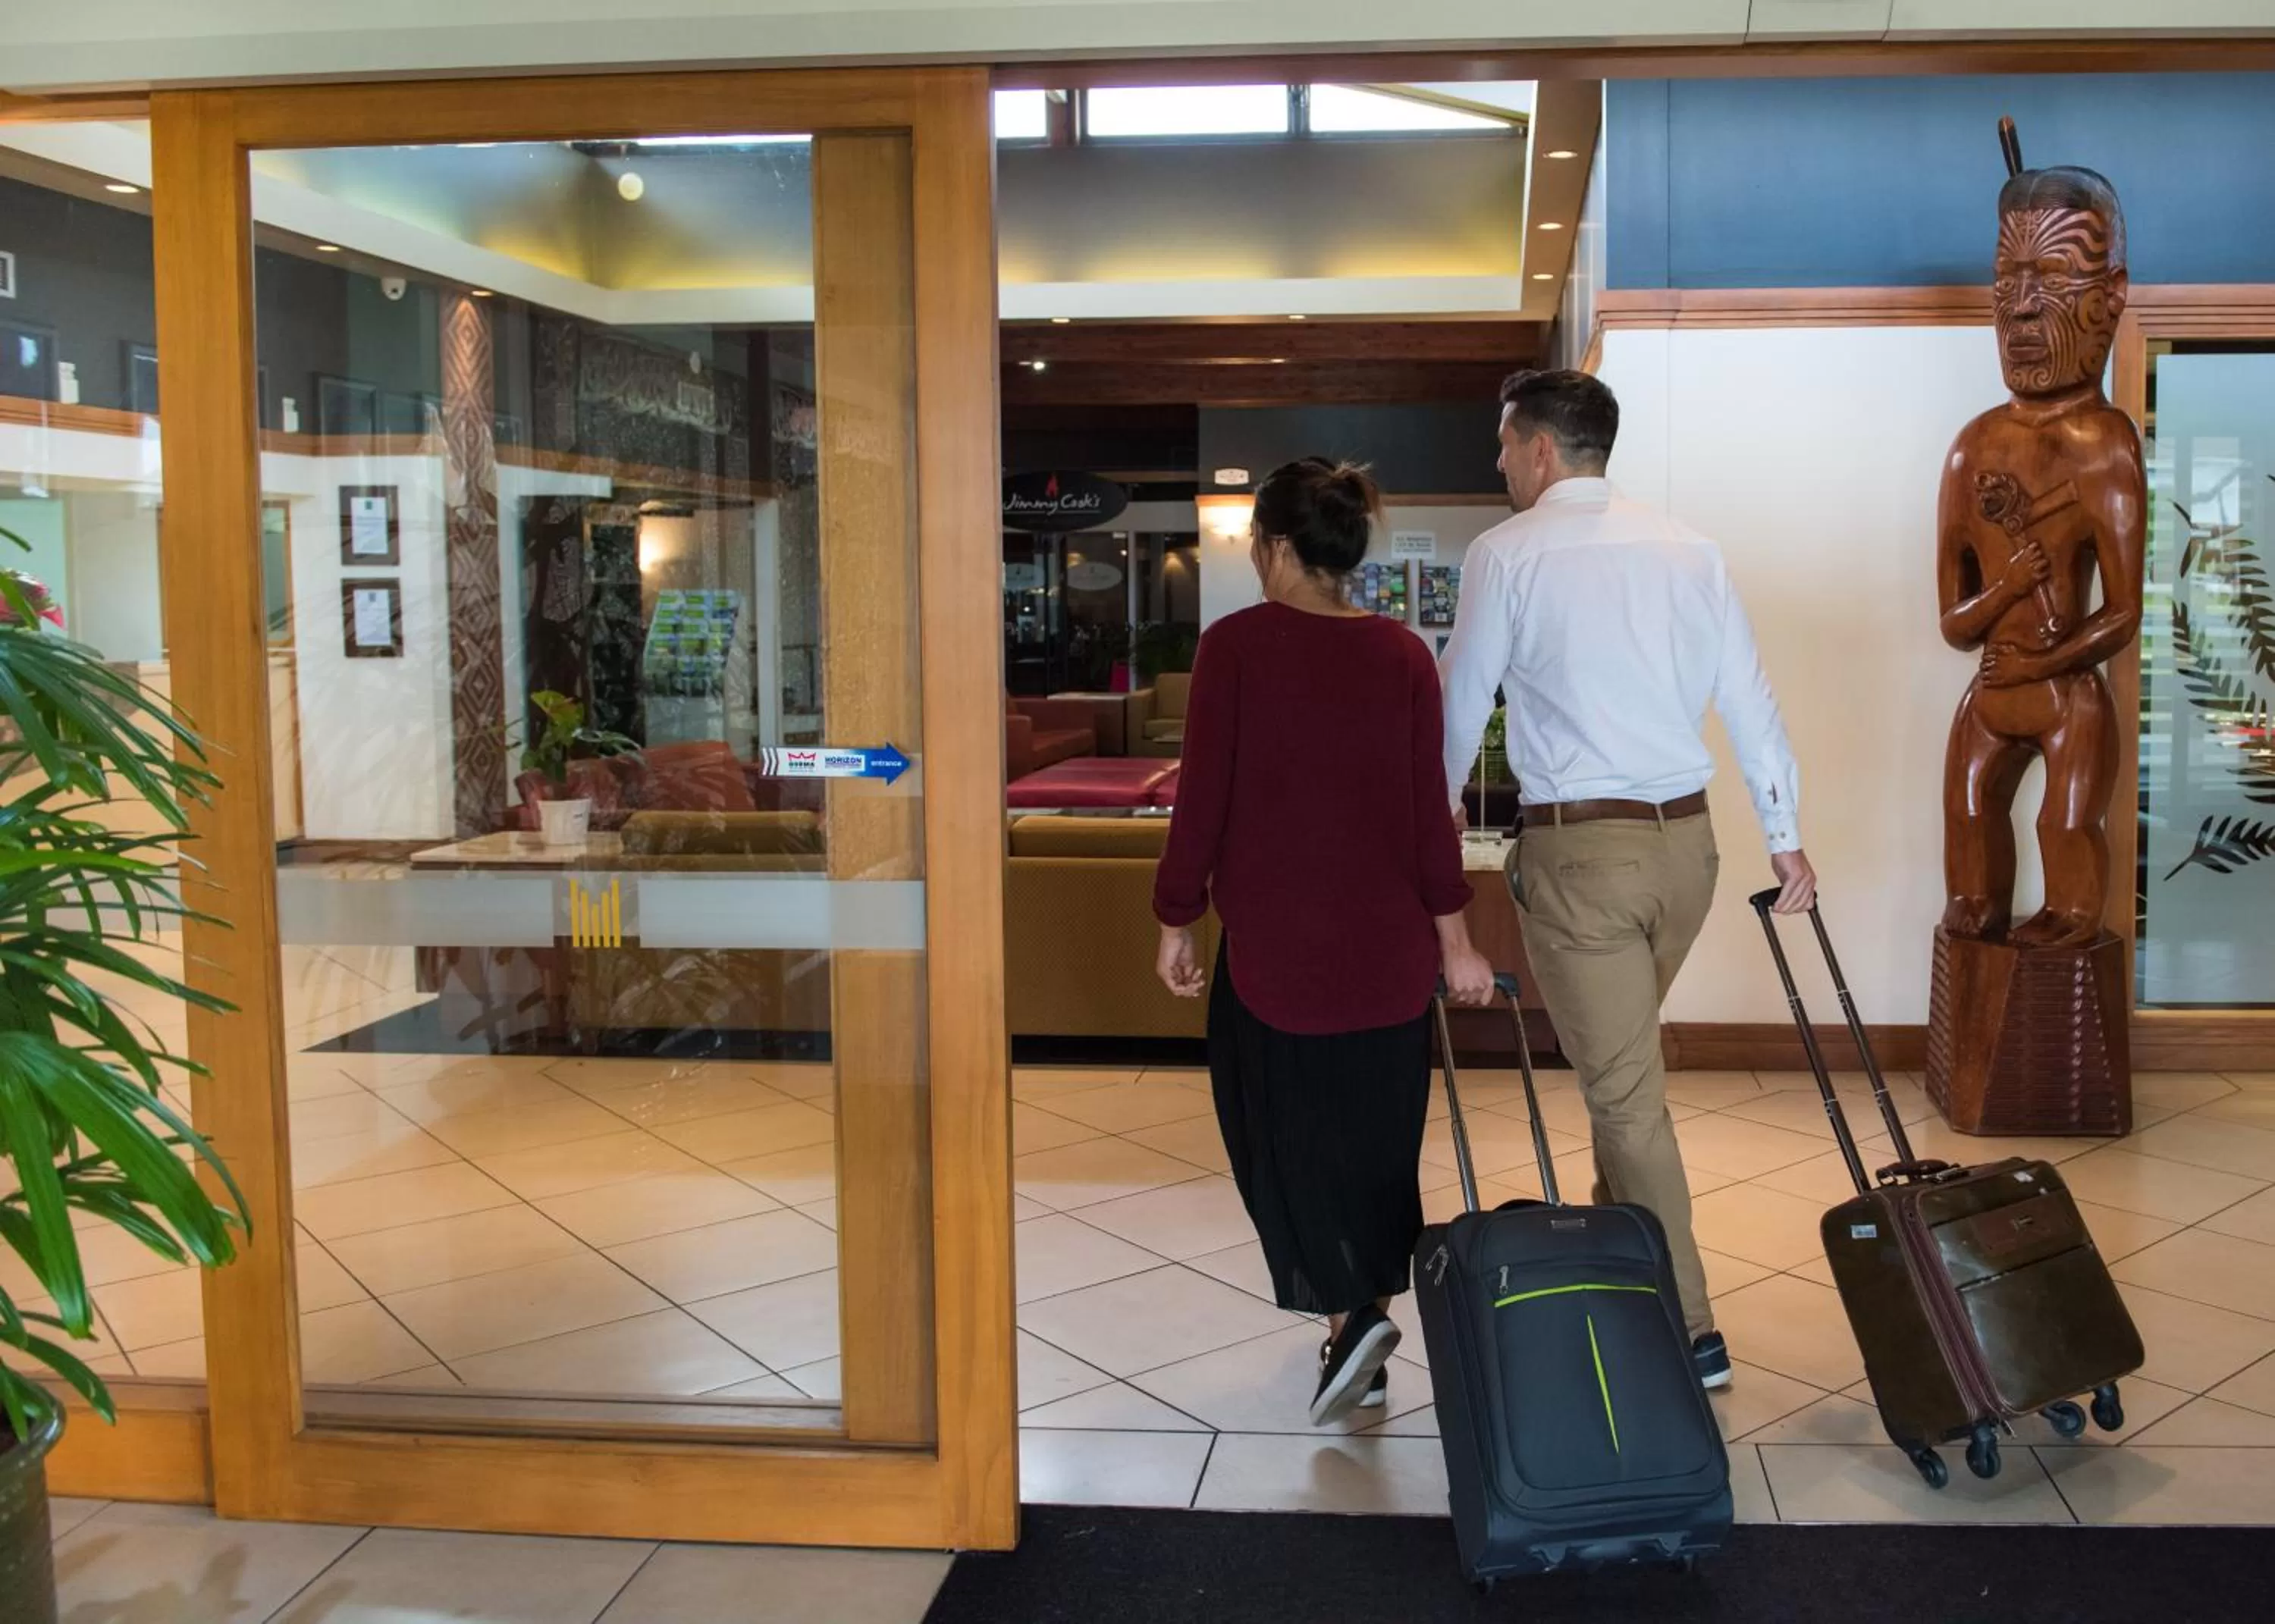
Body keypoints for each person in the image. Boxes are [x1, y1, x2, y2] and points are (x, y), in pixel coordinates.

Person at [1437, 370, 1818, 1392]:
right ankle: (1621, 1261)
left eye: (1505, 444)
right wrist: (1785, 836)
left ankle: (1690, 1328)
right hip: (1687, 855)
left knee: (1625, 1093)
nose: (1500, 461)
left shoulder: (1506, 554)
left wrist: (1426, 830)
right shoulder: (1688, 547)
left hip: (1582, 858)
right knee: (1625, 1073)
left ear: (1543, 450)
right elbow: (1749, 696)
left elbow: (1460, 706)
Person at [1154, 456, 1496, 1427]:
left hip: (1274, 956)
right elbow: (1432, 820)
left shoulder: (1234, 649)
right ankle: (1365, 1328)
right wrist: (1458, 943)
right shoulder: (1402, 659)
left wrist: (1177, 916)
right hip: (1390, 958)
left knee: (1278, 1141)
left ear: (1270, 546)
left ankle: (1352, 1323)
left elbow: (1202, 805)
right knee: (1379, 1148)